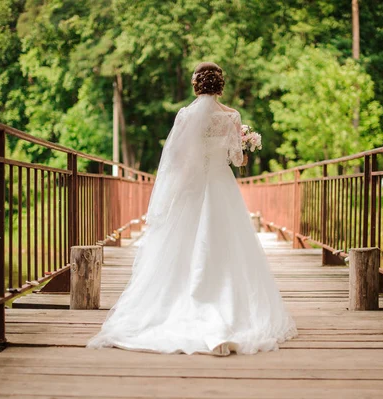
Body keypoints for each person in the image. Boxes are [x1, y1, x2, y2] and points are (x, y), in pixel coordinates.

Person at [86, 62, 297, 356]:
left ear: (196, 84)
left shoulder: (185, 115)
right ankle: (230, 307)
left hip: (193, 186)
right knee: (228, 243)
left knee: (183, 243)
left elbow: (177, 159)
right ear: (220, 84)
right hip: (221, 186)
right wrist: (246, 145)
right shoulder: (232, 116)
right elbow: (237, 161)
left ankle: (182, 302)